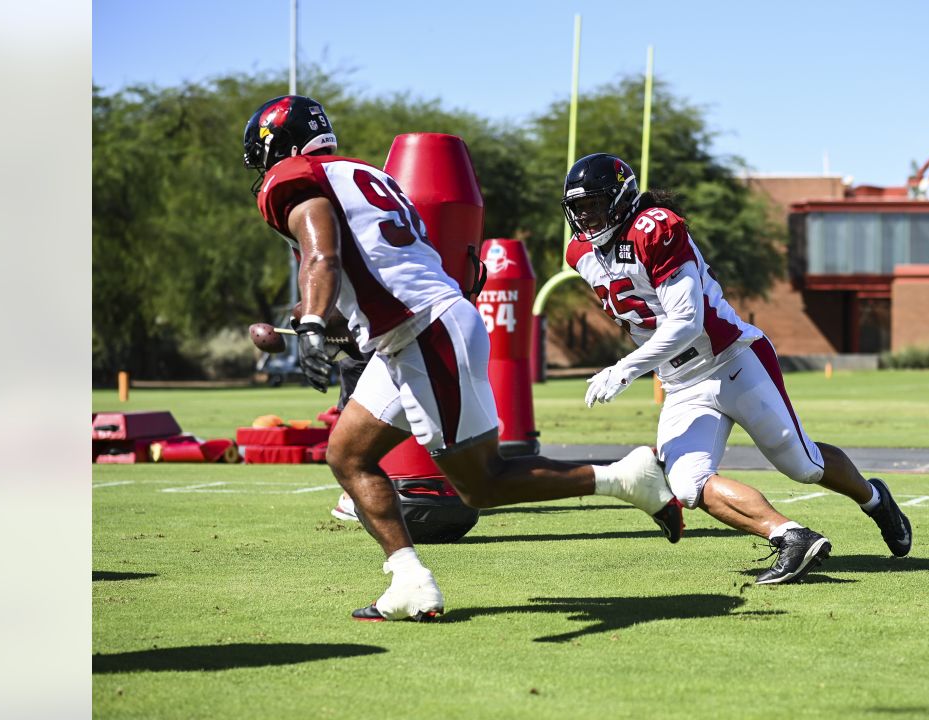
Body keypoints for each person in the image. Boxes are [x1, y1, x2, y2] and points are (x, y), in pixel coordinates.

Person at [242, 97, 683, 621]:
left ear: (281, 150)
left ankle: (625, 477)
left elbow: (323, 258)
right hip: (415, 331)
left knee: (481, 484)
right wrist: (305, 322)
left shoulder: (293, 177)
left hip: (424, 332)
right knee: (348, 454)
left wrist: (312, 324)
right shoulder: (364, 176)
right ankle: (409, 581)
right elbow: (360, 283)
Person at [561, 153, 913, 584]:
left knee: (803, 465)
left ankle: (875, 499)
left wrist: (624, 370)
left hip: (732, 360)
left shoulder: (656, 227)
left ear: (622, 199)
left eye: (595, 204)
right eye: (578, 208)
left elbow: (686, 321)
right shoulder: (579, 253)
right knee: (687, 484)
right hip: (680, 383)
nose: (586, 216)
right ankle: (790, 537)